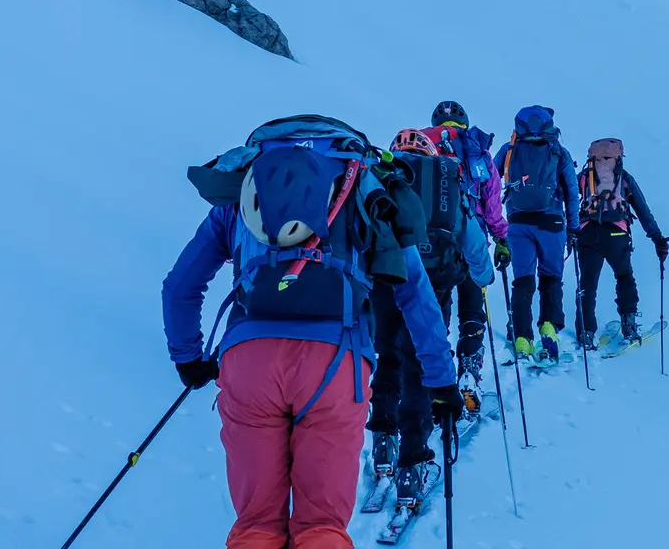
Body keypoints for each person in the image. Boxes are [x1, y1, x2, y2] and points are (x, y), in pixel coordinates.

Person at [162, 115, 463, 549]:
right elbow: (414, 291)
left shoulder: (244, 188)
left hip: (249, 362)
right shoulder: (363, 184)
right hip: (336, 365)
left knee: (256, 527)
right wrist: (441, 382)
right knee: (321, 529)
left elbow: (180, 286)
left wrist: (189, 357)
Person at [364, 128, 475, 514]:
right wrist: (480, 275)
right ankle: (412, 463)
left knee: (387, 358)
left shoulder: (380, 180)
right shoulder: (448, 183)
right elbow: (473, 242)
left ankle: (383, 440)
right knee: (419, 369)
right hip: (433, 287)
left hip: (383, 283)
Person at [420, 101, 505, 383]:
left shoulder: (423, 148)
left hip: (431, 242)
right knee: (472, 307)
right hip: (472, 237)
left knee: (436, 308)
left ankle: (438, 374)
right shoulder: (477, 150)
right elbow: (492, 203)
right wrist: (500, 237)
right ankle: (469, 370)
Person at [494, 105, 578, 363]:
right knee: (551, 277)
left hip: (518, 223)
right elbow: (572, 191)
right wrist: (573, 227)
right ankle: (548, 328)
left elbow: (490, 186)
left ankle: (522, 338)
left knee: (523, 280)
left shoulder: (508, 150)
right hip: (552, 223)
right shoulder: (558, 151)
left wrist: (495, 226)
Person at [571, 138, 669, 347]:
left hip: (587, 234)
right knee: (624, 277)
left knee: (587, 284)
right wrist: (658, 239)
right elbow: (643, 211)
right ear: (619, 157)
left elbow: (569, 201)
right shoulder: (624, 178)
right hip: (617, 235)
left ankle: (586, 332)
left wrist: (569, 231)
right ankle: (629, 325)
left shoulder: (584, 177)